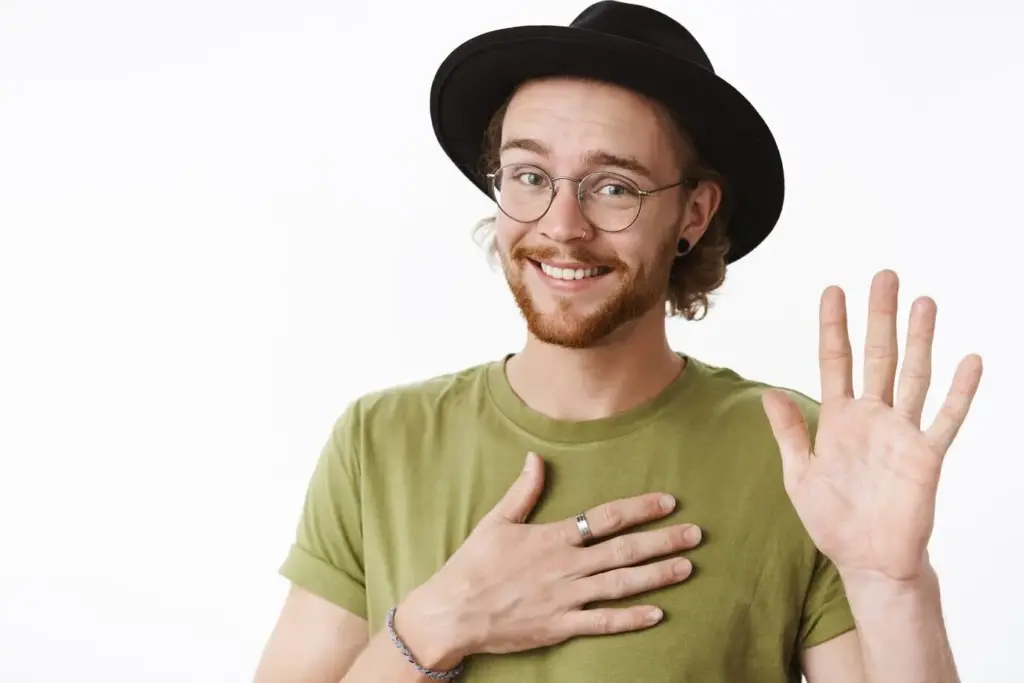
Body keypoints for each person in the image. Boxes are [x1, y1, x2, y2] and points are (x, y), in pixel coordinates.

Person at [253, 2, 983, 682]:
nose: (561, 225)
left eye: (613, 187)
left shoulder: (802, 458)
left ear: (693, 214)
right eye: (529, 175)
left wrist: (893, 586)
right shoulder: (378, 442)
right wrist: (438, 621)